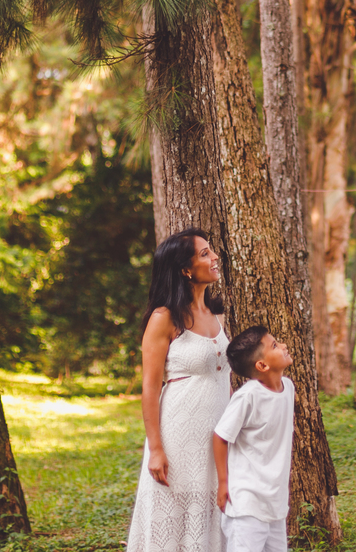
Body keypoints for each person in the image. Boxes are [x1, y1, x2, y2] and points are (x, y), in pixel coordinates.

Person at [127, 228, 232, 552]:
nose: (214, 257)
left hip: (215, 433)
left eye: (211, 251)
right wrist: (156, 449)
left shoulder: (216, 312)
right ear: (185, 269)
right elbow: (149, 388)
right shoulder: (164, 318)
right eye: (204, 253)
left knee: (211, 506)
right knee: (174, 511)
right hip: (177, 434)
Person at [212, 326, 295, 552]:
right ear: (262, 365)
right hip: (246, 503)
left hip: (275, 503)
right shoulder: (247, 396)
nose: (284, 346)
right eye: (275, 346)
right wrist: (223, 483)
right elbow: (220, 436)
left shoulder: (288, 388)